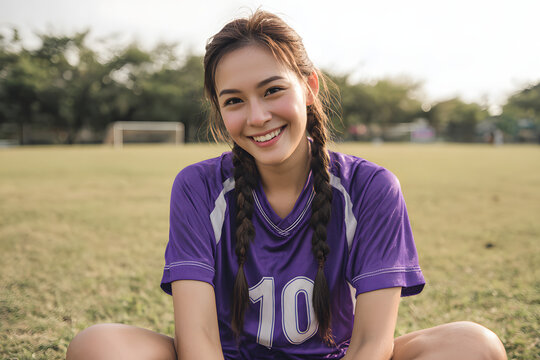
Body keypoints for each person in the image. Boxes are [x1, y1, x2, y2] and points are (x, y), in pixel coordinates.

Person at [66, 10, 507, 360]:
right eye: (234, 100)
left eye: (272, 90)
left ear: (309, 86)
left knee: (473, 346)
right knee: (97, 346)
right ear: (219, 111)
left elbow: (373, 343)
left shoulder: (371, 188)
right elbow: (197, 337)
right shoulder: (197, 187)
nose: (256, 116)